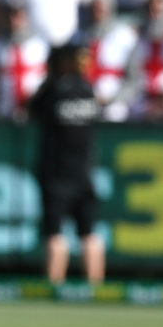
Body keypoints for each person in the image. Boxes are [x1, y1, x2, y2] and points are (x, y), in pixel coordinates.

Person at [28, 44, 104, 286]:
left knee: (55, 236)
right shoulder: (88, 90)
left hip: (56, 174)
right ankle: (96, 292)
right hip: (84, 172)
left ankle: (54, 290)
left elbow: (32, 109)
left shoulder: (53, 90)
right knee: (89, 234)